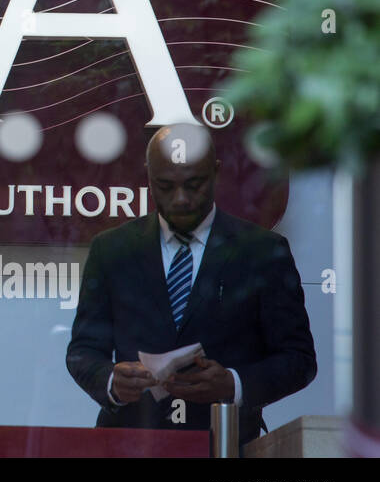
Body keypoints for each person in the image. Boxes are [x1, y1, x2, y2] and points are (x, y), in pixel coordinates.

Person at [65, 123, 316, 447]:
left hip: (227, 444)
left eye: (193, 184)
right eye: (165, 186)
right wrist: (112, 381)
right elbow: (83, 350)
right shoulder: (112, 250)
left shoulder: (263, 252)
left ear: (215, 173)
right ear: (148, 176)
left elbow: (298, 359)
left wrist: (233, 384)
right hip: (129, 444)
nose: (181, 199)